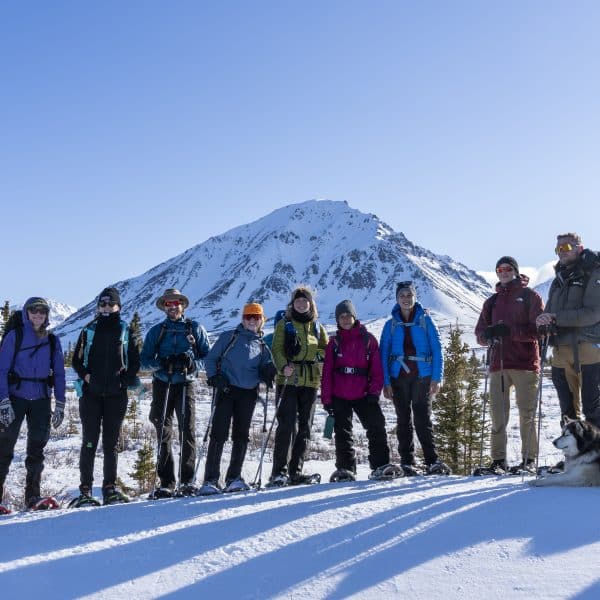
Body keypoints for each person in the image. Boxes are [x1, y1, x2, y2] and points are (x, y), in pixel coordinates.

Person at [70, 287, 141, 507]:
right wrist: (86, 376)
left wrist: (125, 380)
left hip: (116, 396)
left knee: (111, 444)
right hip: (90, 395)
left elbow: (135, 360)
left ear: (118, 306)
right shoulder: (89, 329)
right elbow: (76, 360)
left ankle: (109, 488)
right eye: (103, 304)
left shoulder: (125, 330)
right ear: (98, 307)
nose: (107, 308)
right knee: (89, 442)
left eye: (111, 304)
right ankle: (85, 491)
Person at [475, 257, 544, 474]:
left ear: (515, 271)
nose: (503, 272)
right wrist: (487, 335)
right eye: (499, 269)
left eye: (507, 268)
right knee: (498, 416)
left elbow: (538, 331)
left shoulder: (530, 296)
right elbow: (479, 332)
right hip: (498, 365)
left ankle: (528, 460)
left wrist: (511, 332)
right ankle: (498, 461)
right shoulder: (492, 302)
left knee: (527, 414)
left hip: (525, 364)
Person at [200, 302, 276, 494]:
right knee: (218, 434)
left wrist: (267, 373)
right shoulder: (229, 337)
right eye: (248, 316)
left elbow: (264, 367)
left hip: (248, 394)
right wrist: (214, 377)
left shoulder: (262, 345)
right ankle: (210, 480)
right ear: (242, 318)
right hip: (226, 391)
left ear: (261, 320)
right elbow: (210, 359)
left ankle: (234, 477)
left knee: (241, 436)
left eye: (256, 317)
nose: (251, 320)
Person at [140, 288, 209, 497]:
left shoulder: (195, 328)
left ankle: (188, 481)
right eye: (169, 304)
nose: (173, 306)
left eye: (177, 302)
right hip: (163, 383)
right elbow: (144, 361)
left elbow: (208, 358)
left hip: (185, 384)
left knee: (187, 430)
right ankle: (166, 482)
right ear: (164, 307)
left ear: (183, 305)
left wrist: (192, 363)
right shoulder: (156, 331)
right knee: (163, 430)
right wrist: (161, 363)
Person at [0, 297, 66, 512]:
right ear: (26, 313)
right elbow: (1, 370)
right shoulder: (14, 336)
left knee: (37, 450)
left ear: (47, 314)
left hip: (41, 400)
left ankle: (33, 497)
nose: (38, 314)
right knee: (4, 448)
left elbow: (59, 373)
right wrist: (3, 401)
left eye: (42, 311)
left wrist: (61, 403)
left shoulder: (53, 340)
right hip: (15, 398)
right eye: (33, 310)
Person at [321, 299, 397, 482]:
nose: (346, 319)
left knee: (376, 426)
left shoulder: (368, 340)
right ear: (337, 320)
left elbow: (377, 369)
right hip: (339, 395)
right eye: (342, 316)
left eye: (348, 315)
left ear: (355, 317)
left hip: (364, 394)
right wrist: (327, 400)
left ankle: (381, 465)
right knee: (342, 432)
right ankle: (345, 469)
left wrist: (373, 393)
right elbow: (327, 373)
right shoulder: (334, 343)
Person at [380, 281, 450, 476]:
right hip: (398, 378)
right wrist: (386, 382)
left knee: (422, 419)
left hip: (422, 377)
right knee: (403, 420)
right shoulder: (390, 325)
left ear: (415, 297)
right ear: (396, 298)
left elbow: (437, 350)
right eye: (402, 295)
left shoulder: (426, 321)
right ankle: (407, 462)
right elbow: (383, 354)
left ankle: (432, 461)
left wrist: (437, 378)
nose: (406, 299)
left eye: (409, 295)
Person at [536, 233, 600, 429]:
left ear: (579, 248)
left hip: (588, 351)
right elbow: (550, 312)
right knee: (567, 412)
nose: (561, 253)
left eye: (565, 248)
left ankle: (594, 458)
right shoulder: (558, 279)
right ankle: (573, 458)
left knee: (592, 410)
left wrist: (557, 317)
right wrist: (543, 320)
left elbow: (594, 313)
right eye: (558, 249)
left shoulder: (593, 272)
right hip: (560, 353)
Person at [268, 286, 328, 486]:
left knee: (305, 428)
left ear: (311, 304)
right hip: (288, 380)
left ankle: (296, 471)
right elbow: (276, 348)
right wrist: (283, 366)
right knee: (286, 426)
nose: (301, 304)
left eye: (305, 301)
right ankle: (279, 472)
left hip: (310, 381)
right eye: (297, 301)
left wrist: (319, 356)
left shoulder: (317, 327)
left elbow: (324, 349)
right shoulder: (284, 324)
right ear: (292, 304)